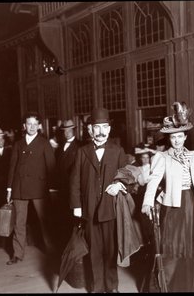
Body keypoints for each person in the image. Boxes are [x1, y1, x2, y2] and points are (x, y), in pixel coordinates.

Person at [141, 102, 194, 292]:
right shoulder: (162, 157)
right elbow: (153, 181)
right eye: (173, 137)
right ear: (169, 138)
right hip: (171, 205)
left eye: (180, 136)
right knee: (171, 244)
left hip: (190, 204)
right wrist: (147, 202)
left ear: (185, 136)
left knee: (190, 242)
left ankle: (191, 285)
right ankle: (170, 285)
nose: (177, 140)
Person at [69, 107, 128, 293]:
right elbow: (74, 181)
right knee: (93, 251)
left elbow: (128, 175)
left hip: (110, 209)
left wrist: (119, 185)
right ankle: (96, 287)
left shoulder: (118, 151)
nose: (101, 131)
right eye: (97, 127)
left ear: (109, 129)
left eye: (104, 127)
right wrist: (77, 206)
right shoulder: (82, 151)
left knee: (111, 251)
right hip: (89, 209)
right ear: (90, 130)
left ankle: (112, 287)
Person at [6, 112, 56, 265]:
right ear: (24, 126)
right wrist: (9, 189)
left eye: (35, 124)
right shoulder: (18, 144)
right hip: (19, 188)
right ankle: (18, 254)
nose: (32, 127)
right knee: (18, 223)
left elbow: (51, 167)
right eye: (29, 124)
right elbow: (12, 167)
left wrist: (53, 189)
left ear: (39, 126)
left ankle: (52, 252)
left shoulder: (44, 143)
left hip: (39, 188)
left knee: (45, 221)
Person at [54, 119, 82, 249]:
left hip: (73, 188)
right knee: (63, 217)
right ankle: (65, 245)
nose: (67, 133)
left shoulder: (80, 146)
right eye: (65, 131)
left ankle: (74, 246)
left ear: (74, 131)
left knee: (74, 218)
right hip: (61, 189)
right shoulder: (60, 147)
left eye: (69, 130)